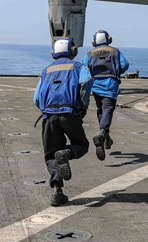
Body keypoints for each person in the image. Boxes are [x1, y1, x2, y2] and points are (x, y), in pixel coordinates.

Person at [34, 37, 92, 206]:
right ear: (72, 51)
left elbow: (36, 98)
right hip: (70, 114)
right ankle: (67, 153)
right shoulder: (79, 67)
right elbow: (87, 81)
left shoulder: (46, 71)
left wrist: (46, 110)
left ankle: (57, 191)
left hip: (49, 116)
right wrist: (83, 105)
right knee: (81, 145)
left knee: (51, 154)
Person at [83, 29, 129, 160]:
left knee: (100, 109)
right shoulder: (115, 51)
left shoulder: (89, 54)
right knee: (107, 109)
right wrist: (116, 71)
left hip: (96, 86)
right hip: (110, 85)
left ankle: (105, 137)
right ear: (108, 39)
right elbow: (125, 65)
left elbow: (84, 68)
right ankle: (103, 133)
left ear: (94, 42)